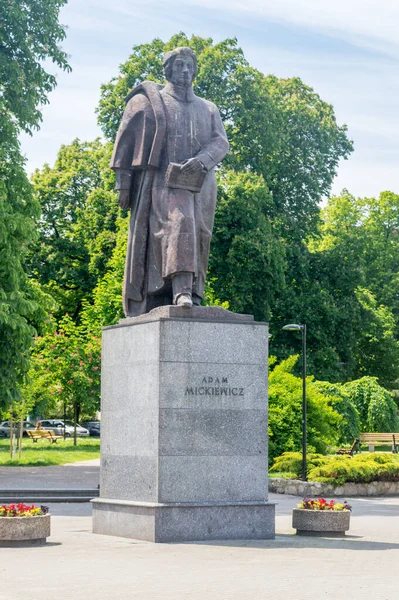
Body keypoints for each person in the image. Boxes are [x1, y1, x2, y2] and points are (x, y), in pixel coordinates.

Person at [111, 46, 229, 317]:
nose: (185, 71)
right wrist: (124, 184)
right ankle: (181, 291)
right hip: (162, 182)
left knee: (200, 235)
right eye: (179, 65)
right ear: (168, 70)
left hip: (201, 184)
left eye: (189, 66)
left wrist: (202, 161)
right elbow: (125, 142)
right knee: (181, 224)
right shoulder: (152, 103)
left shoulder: (208, 108)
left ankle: (194, 293)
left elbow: (221, 141)